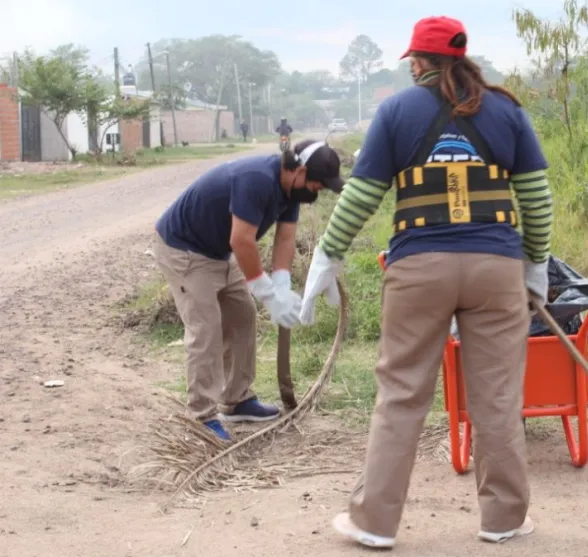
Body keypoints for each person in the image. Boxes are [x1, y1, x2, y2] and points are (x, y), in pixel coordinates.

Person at [297, 15, 553, 549]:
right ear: (460, 59)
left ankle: (373, 523)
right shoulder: (506, 110)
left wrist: (328, 256)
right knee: (497, 398)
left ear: (416, 62)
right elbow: (535, 198)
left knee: (402, 395)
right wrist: (536, 267)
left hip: (419, 270)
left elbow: (362, 195)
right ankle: (504, 518)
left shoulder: (396, 110)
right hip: (495, 271)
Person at [151, 139, 345, 441]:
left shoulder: (291, 190)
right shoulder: (257, 180)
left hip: (217, 252)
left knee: (243, 316)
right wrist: (266, 291)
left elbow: (285, 238)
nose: (316, 192)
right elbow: (241, 240)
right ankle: (200, 417)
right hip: (184, 250)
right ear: (299, 171)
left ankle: (237, 399)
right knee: (207, 330)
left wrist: (280, 282)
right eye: (317, 185)